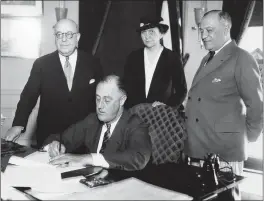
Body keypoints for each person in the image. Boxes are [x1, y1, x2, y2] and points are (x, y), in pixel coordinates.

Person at [184, 10, 263, 200]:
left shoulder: (242, 58)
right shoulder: (207, 58)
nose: (203, 36)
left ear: (226, 28)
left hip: (223, 151)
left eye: (209, 30)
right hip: (200, 147)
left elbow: (257, 105)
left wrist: (246, 138)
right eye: (201, 30)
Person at [5, 19, 103, 147]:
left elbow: (101, 96)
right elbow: (28, 96)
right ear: (55, 38)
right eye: (59, 34)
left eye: (69, 34)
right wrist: (18, 124)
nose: (64, 39)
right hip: (49, 136)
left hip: (84, 136)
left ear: (77, 37)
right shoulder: (42, 64)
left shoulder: (92, 63)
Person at [45, 75, 152, 171]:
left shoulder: (135, 124)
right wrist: (54, 146)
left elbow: (139, 157)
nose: (100, 106)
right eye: (98, 99)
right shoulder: (92, 120)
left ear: (122, 101)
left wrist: (90, 158)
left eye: (107, 100)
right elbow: (60, 138)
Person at [123, 16, 187, 109]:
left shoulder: (172, 58)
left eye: (151, 32)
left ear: (161, 34)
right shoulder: (133, 57)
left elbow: (182, 90)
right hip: (135, 115)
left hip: (161, 116)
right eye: (143, 32)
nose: (147, 36)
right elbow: (125, 87)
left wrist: (167, 107)